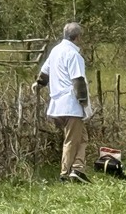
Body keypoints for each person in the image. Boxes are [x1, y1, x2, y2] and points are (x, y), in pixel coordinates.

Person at [32, 22, 93, 184]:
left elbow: (45, 72)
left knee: (82, 137)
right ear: (78, 37)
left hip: (57, 104)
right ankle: (65, 174)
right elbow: (78, 80)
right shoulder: (74, 55)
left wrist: (38, 84)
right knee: (72, 140)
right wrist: (84, 103)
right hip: (71, 103)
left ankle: (78, 169)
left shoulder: (55, 51)